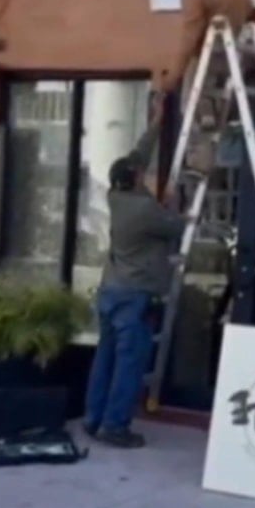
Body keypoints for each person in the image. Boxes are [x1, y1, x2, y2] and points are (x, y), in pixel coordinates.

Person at [83, 99, 188, 448]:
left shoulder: (116, 195)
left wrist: (157, 121)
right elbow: (177, 226)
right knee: (129, 363)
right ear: (136, 180)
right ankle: (114, 427)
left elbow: (138, 155)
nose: (144, 172)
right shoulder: (144, 210)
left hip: (111, 291)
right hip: (133, 296)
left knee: (105, 358)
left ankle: (93, 418)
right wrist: (176, 203)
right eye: (141, 173)